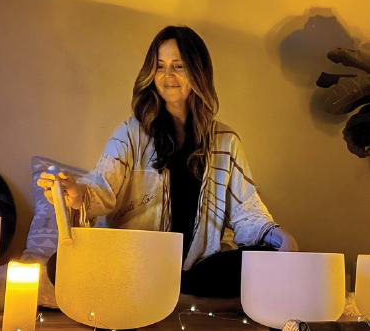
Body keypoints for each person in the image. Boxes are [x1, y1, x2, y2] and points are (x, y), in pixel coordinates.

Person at [38, 25, 298, 301]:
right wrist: (77, 193)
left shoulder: (225, 141)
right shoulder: (131, 133)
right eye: (160, 66)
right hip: (136, 263)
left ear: (198, 72)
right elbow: (103, 186)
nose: (167, 76)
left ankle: (164, 296)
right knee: (63, 263)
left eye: (178, 66)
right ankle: (176, 298)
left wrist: (280, 238)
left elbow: (246, 211)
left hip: (196, 269)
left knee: (267, 259)